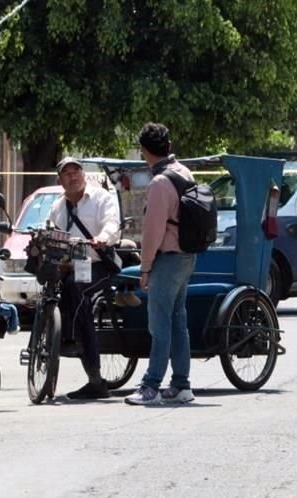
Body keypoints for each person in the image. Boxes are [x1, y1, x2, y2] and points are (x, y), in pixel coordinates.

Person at [125, 123, 196, 406]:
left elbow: (152, 231)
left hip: (167, 259)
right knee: (179, 322)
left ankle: (151, 385)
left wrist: (145, 267)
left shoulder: (159, 183)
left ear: (145, 151)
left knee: (159, 324)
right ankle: (181, 385)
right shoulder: (183, 172)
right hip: (187, 256)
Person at [49, 157, 121, 401]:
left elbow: (113, 224)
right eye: (67, 173)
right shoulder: (58, 208)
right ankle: (57, 338)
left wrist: (103, 237)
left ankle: (94, 377)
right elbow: (52, 233)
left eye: (76, 171)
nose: (73, 176)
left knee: (77, 293)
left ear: (83, 174)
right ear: (60, 181)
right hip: (72, 267)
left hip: (100, 264)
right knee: (52, 288)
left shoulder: (101, 198)